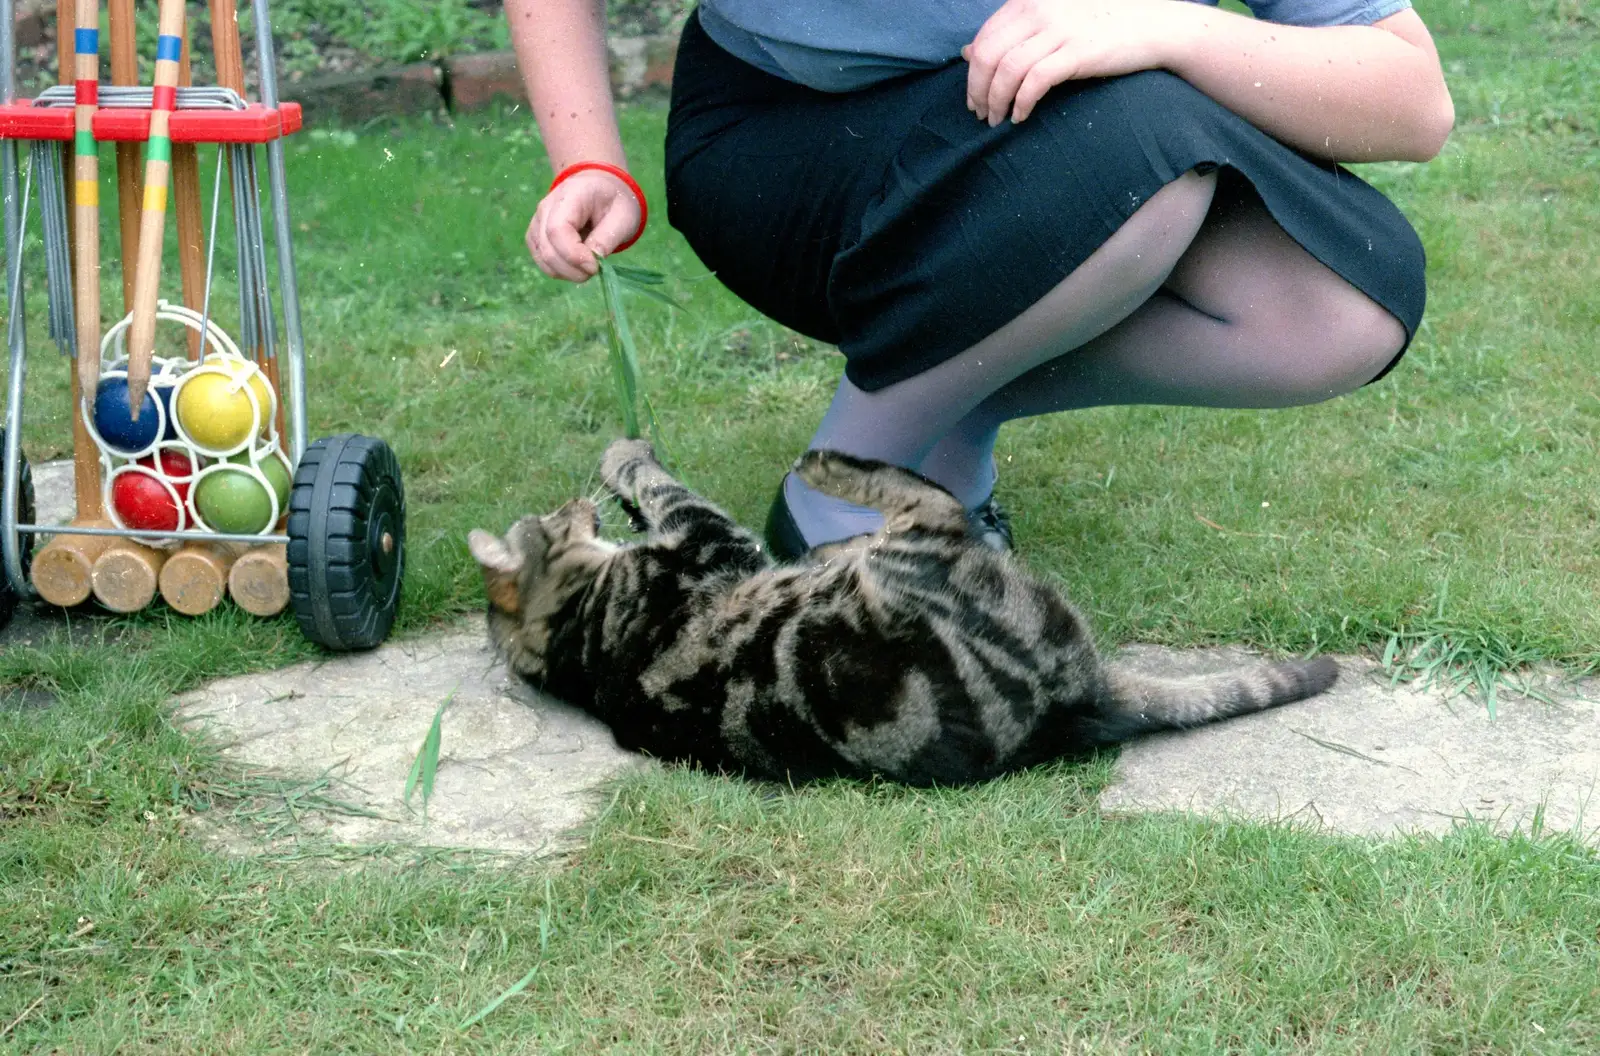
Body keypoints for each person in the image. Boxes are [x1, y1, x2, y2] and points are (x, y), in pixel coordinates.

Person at [508, 0, 1453, 558]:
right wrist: (589, 159)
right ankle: (837, 496)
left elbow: (1412, 104)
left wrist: (1165, 27)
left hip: (1081, 140)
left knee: (1341, 303)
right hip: (793, 142)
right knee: (1140, 156)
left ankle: (955, 413)